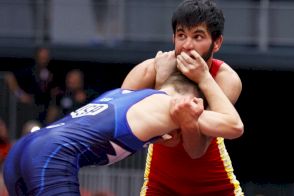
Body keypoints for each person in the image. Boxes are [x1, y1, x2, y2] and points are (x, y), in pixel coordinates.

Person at [3, 70, 243, 196]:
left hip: (20, 153)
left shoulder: (123, 93)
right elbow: (233, 126)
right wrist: (205, 78)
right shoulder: (175, 105)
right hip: (50, 158)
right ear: (189, 97)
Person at [121, 0, 244, 195]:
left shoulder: (225, 78)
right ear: (173, 38)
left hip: (216, 186)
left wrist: (202, 78)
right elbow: (118, 127)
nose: (187, 45)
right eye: (181, 35)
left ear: (217, 42)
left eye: (197, 36)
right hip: (160, 185)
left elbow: (196, 150)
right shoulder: (150, 69)